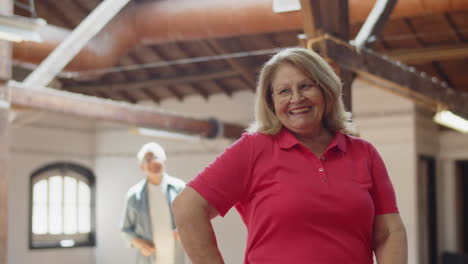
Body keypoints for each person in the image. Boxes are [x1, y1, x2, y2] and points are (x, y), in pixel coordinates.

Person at [172, 47, 408, 264]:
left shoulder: (363, 153)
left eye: (306, 86)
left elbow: (389, 232)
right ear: (271, 102)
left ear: (326, 89)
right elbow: (187, 208)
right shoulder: (254, 148)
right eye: (284, 91)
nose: (296, 98)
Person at [121, 142, 186, 264]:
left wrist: (184, 229)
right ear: (141, 166)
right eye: (148, 159)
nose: (153, 162)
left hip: (178, 257)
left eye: (156, 158)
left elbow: (193, 218)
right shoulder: (134, 195)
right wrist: (141, 244)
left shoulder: (180, 188)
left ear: (164, 161)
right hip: (149, 260)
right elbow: (126, 230)